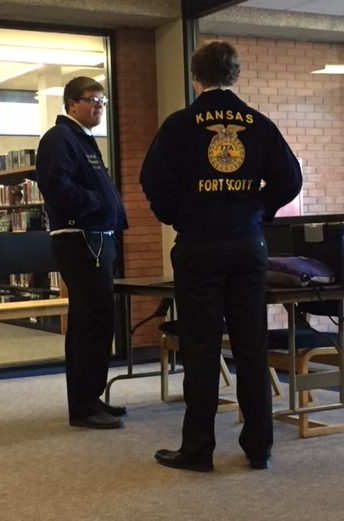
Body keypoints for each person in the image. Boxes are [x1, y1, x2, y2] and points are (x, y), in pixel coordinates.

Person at [140, 41, 302, 471]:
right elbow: (291, 178)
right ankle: (258, 447)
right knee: (251, 345)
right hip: (248, 245)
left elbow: (152, 181)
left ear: (196, 77)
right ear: (235, 75)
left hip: (199, 245)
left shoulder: (180, 124)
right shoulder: (259, 124)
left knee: (200, 347)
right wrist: (258, 208)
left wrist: (181, 215)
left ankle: (198, 449)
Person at [36, 76, 128, 429]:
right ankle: (85, 405)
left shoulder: (83, 139)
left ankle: (89, 397)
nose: (99, 107)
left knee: (93, 320)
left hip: (96, 237)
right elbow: (55, 185)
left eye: (102, 101)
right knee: (93, 320)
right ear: (72, 103)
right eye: (93, 100)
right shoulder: (60, 138)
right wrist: (95, 205)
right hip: (80, 238)